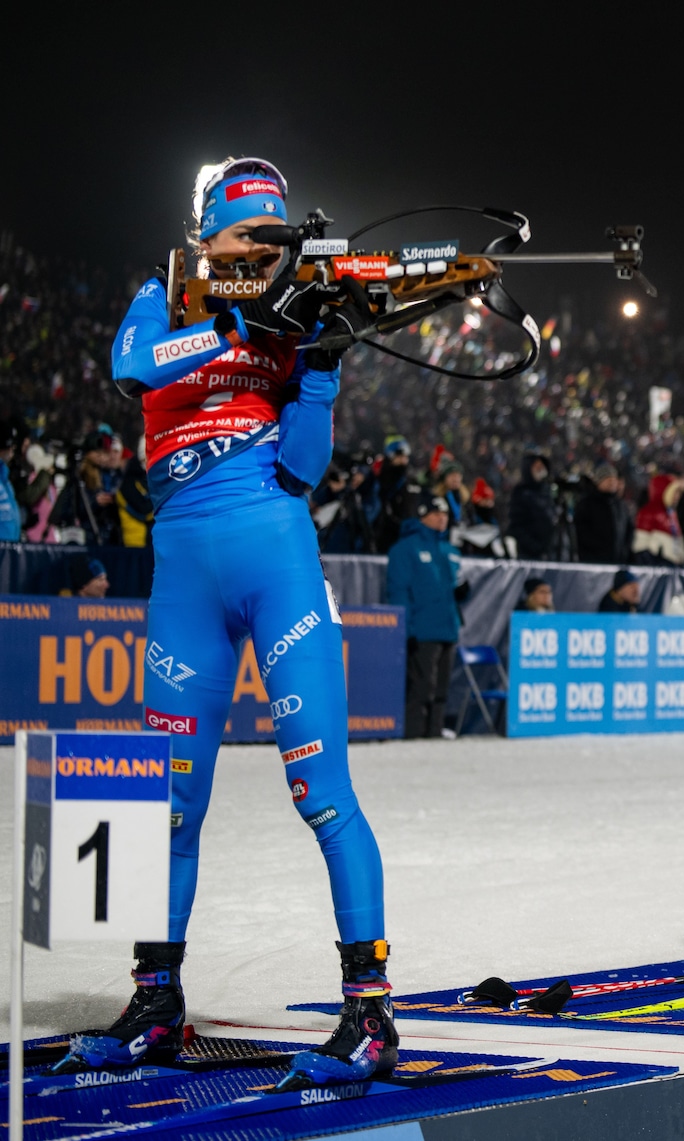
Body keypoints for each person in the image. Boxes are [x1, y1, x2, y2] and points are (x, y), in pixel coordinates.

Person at [79, 156, 395, 1087]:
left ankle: (370, 1014)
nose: (265, 248)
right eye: (249, 233)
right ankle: (155, 1005)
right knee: (166, 807)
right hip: (185, 579)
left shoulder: (298, 313)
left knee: (322, 793)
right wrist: (235, 324)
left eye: (276, 235)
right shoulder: (165, 295)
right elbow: (131, 366)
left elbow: (301, 468)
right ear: (207, 235)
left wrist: (321, 368)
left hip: (277, 563)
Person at [386, 493, 467, 739]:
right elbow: (398, 591)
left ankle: (434, 733)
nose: (442, 518)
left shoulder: (450, 550)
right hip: (422, 629)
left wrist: (462, 593)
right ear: (422, 516)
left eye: (445, 514)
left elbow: (451, 587)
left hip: (447, 627)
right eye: (436, 513)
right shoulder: (405, 549)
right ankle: (414, 734)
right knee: (422, 688)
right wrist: (405, 627)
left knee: (442, 688)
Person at [575, 463, 632, 564]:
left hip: (617, 561)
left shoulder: (621, 505)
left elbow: (629, 529)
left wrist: (624, 551)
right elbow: (581, 531)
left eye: (614, 480)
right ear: (599, 482)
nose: (612, 483)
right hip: (593, 561)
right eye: (608, 479)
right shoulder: (587, 503)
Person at [507, 454, 558, 560]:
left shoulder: (548, 491)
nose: (541, 470)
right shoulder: (520, 493)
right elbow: (515, 525)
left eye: (542, 467)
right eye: (537, 467)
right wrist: (534, 546)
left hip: (550, 553)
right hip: (528, 554)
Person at [632, 472, 684, 564]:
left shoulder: (671, 513)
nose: (677, 496)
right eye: (674, 492)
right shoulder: (648, 512)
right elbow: (640, 546)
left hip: (673, 564)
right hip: (657, 566)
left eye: (678, 493)